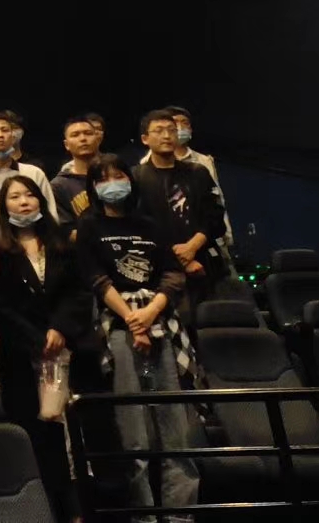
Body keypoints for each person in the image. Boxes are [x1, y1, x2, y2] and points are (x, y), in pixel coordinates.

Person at [77, 157, 198, 522]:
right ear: (94, 188)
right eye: (104, 179)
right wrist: (133, 322)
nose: (113, 183)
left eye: (118, 176)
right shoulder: (89, 226)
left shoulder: (149, 224)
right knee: (134, 432)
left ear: (130, 180)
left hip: (160, 323)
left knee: (175, 427)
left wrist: (150, 313)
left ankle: (180, 516)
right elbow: (96, 279)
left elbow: (172, 275)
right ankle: (143, 516)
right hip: (118, 325)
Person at [0, 174, 100, 522]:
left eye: (29, 195)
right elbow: (1, 305)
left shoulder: (63, 243)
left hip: (68, 352)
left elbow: (79, 292)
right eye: (15, 197)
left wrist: (59, 328)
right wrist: (38, 339)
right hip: (24, 357)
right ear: (4, 207)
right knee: (38, 437)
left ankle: (80, 511)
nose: (23, 202)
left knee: (75, 436)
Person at [132, 109, 227, 309]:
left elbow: (216, 217)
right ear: (145, 139)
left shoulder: (198, 172)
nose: (167, 136)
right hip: (158, 269)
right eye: (159, 131)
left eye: (171, 130)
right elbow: (138, 225)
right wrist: (179, 259)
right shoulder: (136, 177)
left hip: (203, 263)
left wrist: (193, 246)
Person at [156, 106, 234, 254]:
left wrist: (227, 234)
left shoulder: (204, 161)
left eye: (185, 122)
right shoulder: (148, 163)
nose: (180, 127)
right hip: (173, 243)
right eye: (175, 123)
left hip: (208, 235)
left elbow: (217, 200)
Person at [0, 112, 59, 238]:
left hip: (37, 242)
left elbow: (51, 212)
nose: (0, 135)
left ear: (13, 138)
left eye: (5, 130)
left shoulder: (34, 173)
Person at [53, 114, 107, 230]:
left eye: (88, 133)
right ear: (66, 145)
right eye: (75, 135)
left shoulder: (115, 175)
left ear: (98, 139)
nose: (83, 139)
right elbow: (66, 231)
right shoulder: (59, 186)